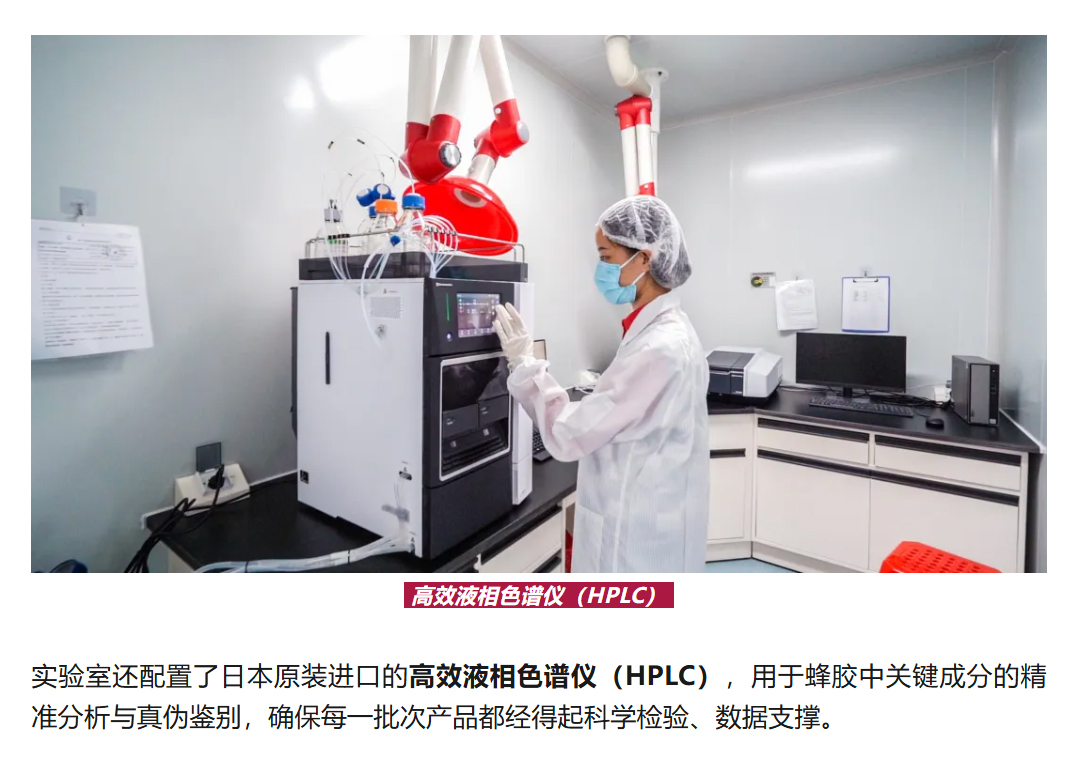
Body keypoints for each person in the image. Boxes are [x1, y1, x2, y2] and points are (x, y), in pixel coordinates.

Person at [493, 195, 709, 573]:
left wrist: (524, 364)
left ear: (644, 259)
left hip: (634, 527)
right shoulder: (673, 331)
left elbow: (568, 434)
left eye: (606, 257)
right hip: (663, 509)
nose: (601, 269)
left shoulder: (657, 348)